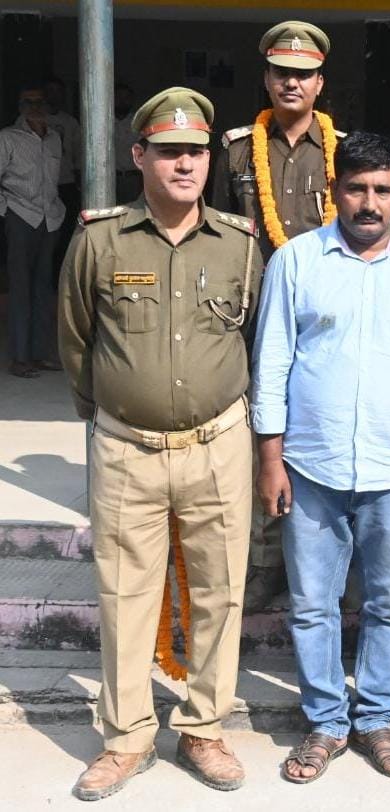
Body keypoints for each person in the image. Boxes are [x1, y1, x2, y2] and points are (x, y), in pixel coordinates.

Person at [250, 131, 390, 785]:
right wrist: (270, 459)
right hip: (310, 464)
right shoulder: (296, 261)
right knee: (312, 604)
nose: (369, 202)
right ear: (336, 192)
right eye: (356, 188)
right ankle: (326, 721)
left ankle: (376, 715)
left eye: (382, 189)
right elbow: (271, 362)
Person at [59, 87, 262, 801]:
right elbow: (76, 342)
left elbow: (253, 337)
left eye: (196, 152)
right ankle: (126, 739)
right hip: (127, 449)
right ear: (138, 155)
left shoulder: (241, 244)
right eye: (169, 151)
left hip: (218, 445)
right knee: (124, 595)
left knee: (220, 593)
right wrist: (114, 409)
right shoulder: (99, 241)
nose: (185, 164)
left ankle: (203, 727)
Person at [211, 20, 338, 612]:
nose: (292, 83)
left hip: (320, 319)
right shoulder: (237, 149)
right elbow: (216, 230)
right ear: (266, 78)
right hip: (253, 314)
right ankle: (264, 561)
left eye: (303, 74)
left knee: (316, 434)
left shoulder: (339, 150)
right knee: (258, 438)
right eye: (282, 72)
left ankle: (319, 557)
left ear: (319, 83)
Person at [1, 85, 65, 379]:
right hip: (20, 215)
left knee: (43, 288)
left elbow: (58, 180)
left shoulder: (54, 138)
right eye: (28, 102)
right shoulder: (7, 137)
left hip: (50, 218)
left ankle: (40, 355)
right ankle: (20, 358)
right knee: (20, 287)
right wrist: (6, 210)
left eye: (39, 102)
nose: (35, 106)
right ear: (20, 106)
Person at [43, 75, 82, 281]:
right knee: (44, 233)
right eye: (50, 91)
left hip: (65, 183)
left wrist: (79, 179)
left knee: (67, 231)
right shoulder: (31, 120)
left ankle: (61, 276)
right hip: (40, 184)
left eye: (58, 92)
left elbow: (78, 153)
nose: (54, 96)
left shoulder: (70, 122)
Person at [114, 83, 141, 204]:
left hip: (133, 179)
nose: (122, 101)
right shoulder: (103, 121)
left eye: (126, 98)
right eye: (119, 97)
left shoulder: (138, 123)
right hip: (108, 179)